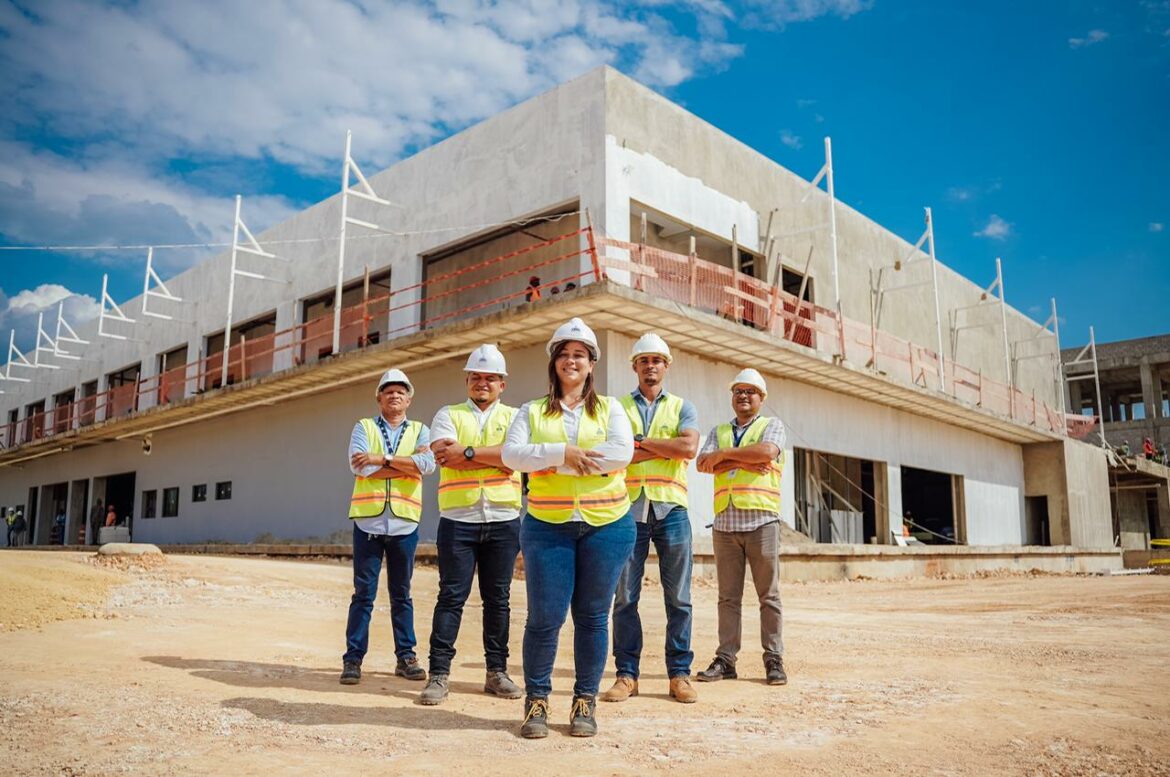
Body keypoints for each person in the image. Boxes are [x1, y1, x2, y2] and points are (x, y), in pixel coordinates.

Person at [502, 317, 635, 739]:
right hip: (548, 527)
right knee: (544, 619)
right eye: (564, 354)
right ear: (554, 363)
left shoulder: (612, 408)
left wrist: (551, 460)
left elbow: (621, 453)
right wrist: (563, 453)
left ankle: (584, 701)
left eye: (580, 354)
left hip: (607, 526)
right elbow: (512, 455)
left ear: (591, 363)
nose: (571, 360)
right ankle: (536, 701)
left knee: (593, 618)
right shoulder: (531, 410)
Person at [420, 345, 524, 705]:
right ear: (467, 380)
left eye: (490, 378)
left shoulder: (517, 417)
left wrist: (466, 453)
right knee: (451, 597)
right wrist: (494, 457)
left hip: (503, 520)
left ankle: (496, 672)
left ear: (502, 384)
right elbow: (444, 457)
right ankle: (438, 675)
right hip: (458, 521)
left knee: (499, 600)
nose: (483, 383)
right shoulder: (447, 414)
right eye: (476, 377)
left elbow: (515, 459)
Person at [601, 333, 700, 705]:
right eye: (644, 360)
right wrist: (661, 447)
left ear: (666, 365)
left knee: (679, 597)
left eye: (657, 360)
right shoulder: (616, 407)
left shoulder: (682, 407)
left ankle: (679, 675)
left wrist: (641, 444)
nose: (651, 366)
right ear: (635, 366)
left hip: (671, 509)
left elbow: (688, 447)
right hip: (627, 509)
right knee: (624, 596)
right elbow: (618, 454)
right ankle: (627, 675)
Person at [341, 368, 436, 686]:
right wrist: (402, 464)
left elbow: (426, 465)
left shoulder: (422, 430)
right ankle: (353, 659)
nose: (395, 395)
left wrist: (380, 459)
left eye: (401, 391)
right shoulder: (363, 426)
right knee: (363, 594)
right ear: (379, 397)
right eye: (388, 390)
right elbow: (359, 466)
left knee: (402, 593)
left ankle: (406, 657)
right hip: (368, 522)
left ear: (409, 398)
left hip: (404, 524)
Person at [695, 367, 788, 687]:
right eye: (738, 391)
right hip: (725, 523)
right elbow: (703, 463)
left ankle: (773, 658)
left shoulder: (771, 425)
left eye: (750, 392)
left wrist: (725, 457)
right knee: (728, 598)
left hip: (762, 521)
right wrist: (740, 458)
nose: (743, 396)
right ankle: (726, 659)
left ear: (761, 398)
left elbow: (766, 453)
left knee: (769, 596)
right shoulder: (718, 430)